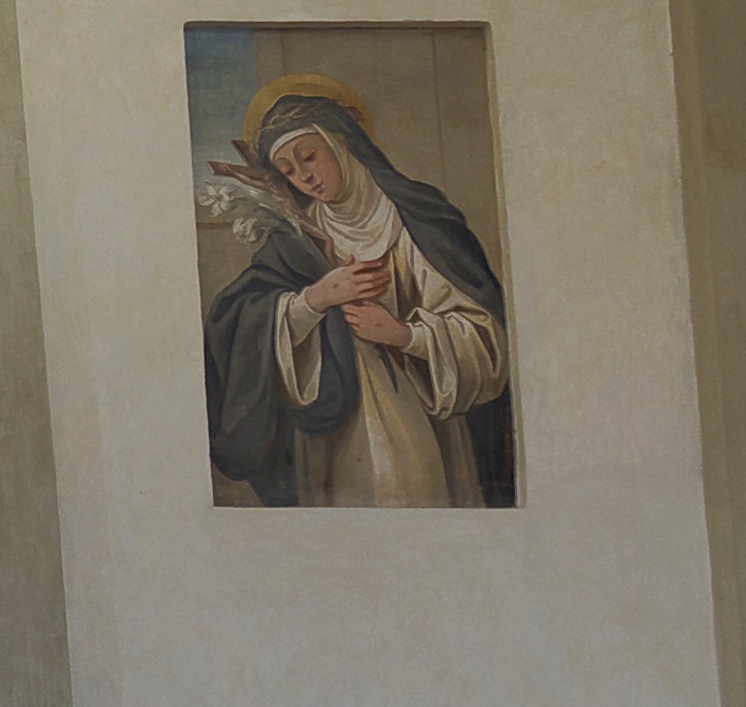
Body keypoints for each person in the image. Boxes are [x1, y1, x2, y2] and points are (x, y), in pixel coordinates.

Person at [202, 74, 514, 507]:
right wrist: (316, 299)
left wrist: (404, 336)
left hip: (420, 425)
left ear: (341, 143)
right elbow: (235, 322)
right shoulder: (296, 240)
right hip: (330, 438)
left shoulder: (416, 220)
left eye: (309, 157)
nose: (304, 179)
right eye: (289, 172)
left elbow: (489, 340)